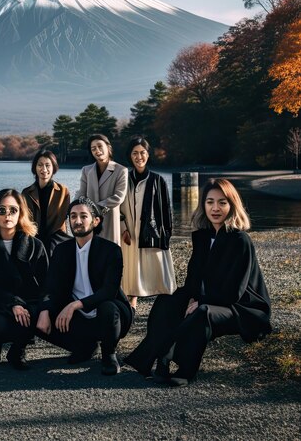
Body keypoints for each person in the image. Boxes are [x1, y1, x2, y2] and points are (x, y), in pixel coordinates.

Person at [125, 178, 272, 387]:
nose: (215, 208)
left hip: (245, 309)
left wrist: (200, 300)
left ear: (232, 205)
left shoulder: (240, 241)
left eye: (222, 202)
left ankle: (185, 369)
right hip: (215, 299)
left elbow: (234, 293)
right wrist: (191, 297)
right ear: (203, 205)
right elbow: (193, 279)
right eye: (210, 202)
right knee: (169, 300)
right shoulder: (203, 237)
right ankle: (149, 357)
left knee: (203, 312)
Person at [36, 197, 133, 375]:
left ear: (96, 221)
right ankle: (83, 347)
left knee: (108, 308)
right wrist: (44, 310)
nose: (77, 221)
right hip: (78, 318)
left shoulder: (111, 250)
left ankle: (109, 353)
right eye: (73, 216)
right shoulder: (61, 250)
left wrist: (74, 305)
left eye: (83, 216)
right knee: (37, 314)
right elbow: (51, 286)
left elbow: (109, 291)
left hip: (109, 316)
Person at [0, 189, 49, 370]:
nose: (8, 215)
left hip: (30, 304)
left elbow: (46, 282)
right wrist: (13, 303)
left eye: (13, 210)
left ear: (21, 213)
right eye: (2, 210)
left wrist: (41, 308)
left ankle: (18, 349)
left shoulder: (35, 245)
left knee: (31, 316)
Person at [120, 136, 176, 309]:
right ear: (130, 156)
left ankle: (166, 304)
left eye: (142, 153)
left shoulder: (157, 180)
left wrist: (165, 235)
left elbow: (166, 210)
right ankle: (132, 300)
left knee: (160, 273)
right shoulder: (123, 179)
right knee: (129, 269)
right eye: (135, 153)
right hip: (128, 232)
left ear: (148, 154)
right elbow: (117, 208)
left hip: (151, 231)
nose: (139, 157)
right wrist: (123, 228)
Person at [77, 134, 128, 245]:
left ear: (108, 147)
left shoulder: (121, 170)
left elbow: (119, 196)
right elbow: (81, 194)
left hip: (110, 220)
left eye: (100, 146)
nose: (97, 150)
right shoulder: (86, 170)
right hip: (90, 221)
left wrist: (96, 209)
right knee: (91, 255)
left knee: (110, 255)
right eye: (93, 148)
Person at [21, 149, 71, 255]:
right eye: (40, 165)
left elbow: (61, 219)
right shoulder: (26, 193)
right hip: (34, 236)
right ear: (35, 168)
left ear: (53, 167)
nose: (44, 169)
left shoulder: (63, 191)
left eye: (48, 165)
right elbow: (26, 220)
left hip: (56, 237)